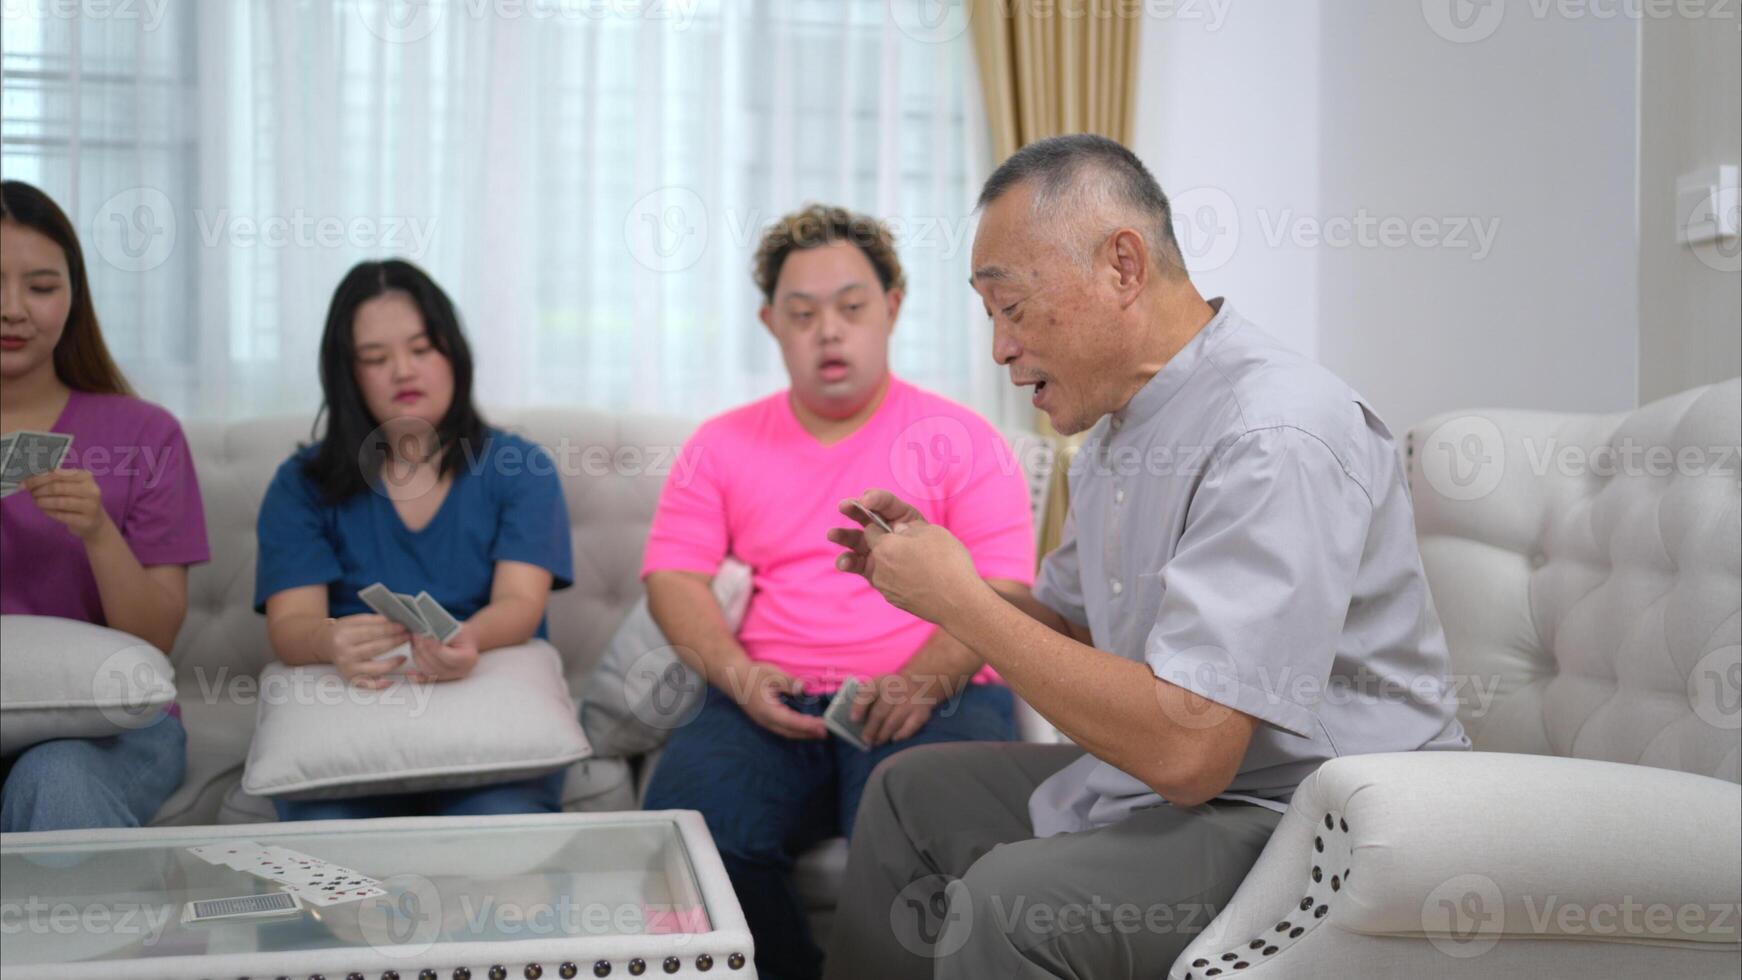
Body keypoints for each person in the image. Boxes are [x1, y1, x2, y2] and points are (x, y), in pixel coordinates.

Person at [824, 134, 1470, 978]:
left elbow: (1190, 752)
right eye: (990, 318)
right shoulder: (1120, 435)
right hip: (1189, 792)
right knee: (910, 795)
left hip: (1318, 820)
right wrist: (930, 573)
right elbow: (1068, 626)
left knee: (1009, 905)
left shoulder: (1273, 433)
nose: (1000, 349)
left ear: (1122, 266)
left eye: (1011, 308)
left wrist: (961, 603)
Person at [639, 204, 1037, 980]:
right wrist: (737, 675)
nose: (829, 330)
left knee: (925, 855)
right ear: (770, 322)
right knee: (685, 839)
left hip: (938, 690)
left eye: (851, 308)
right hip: (769, 699)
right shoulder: (720, 444)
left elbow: (1005, 589)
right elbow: (672, 577)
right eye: (802, 313)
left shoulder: (962, 438)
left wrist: (926, 676)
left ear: (891, 307)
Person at [254, 259, 573, 820]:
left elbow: (521, 605)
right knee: (328, 847)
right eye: (376, 359)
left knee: (498, 825)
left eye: (422, 349)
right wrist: (329, 642)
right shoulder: (301, 484)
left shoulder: (521, 468)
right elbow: (290, 627)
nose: (403, 371)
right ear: (348, 375)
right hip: (351, 737)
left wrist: (466, 640)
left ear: (455, 353)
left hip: (491, 724)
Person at [0, 180, 209, 831]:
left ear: (74, 299)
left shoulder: (146, 436)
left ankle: (83, 935)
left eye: (40, 287)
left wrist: (97, 532)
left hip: (107, 733)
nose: (13, 310)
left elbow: (153, 640)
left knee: (54, 778)